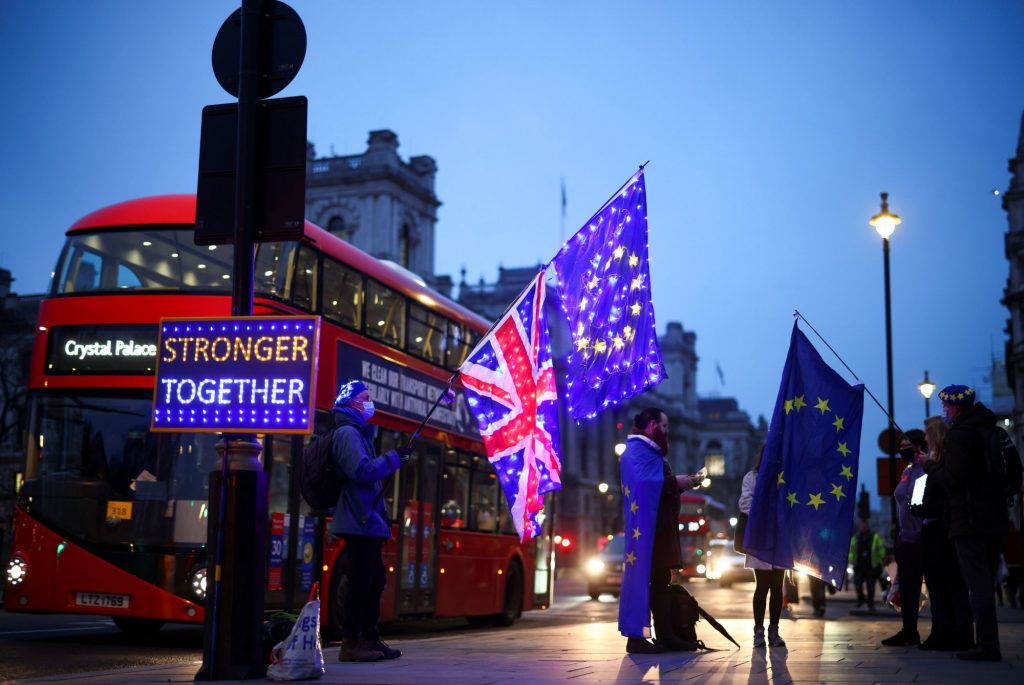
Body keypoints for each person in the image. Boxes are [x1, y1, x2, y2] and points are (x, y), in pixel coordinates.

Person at [330, 380, 411, 663]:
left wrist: (394, 459)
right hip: (358, 519)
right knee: (360, 582)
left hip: (366, 519)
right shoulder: (348, 433)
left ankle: (369, 637)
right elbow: (361, 471)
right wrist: (393, 458)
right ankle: (351, 643)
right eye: (365, 397)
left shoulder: (359, 433)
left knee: (374, 580)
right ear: (353, 402)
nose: (369, 402)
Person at [922, 384, 1005, 661]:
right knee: (986, 583)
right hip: (993, 518)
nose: (944, 410)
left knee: (977, 585)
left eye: (946, 406)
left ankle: (987, 644)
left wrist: (929, 466)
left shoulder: (959, 435)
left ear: (956, 408)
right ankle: (987, 640)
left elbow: (952, 478)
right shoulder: (990, 430)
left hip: (968, 519)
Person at [617, 407, 704, 654]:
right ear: (653, 426)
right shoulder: (637, 451)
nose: (667, 432)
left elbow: (656, 486)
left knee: (661, 581)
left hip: (659, 527)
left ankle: (666, 635)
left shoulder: (649, 452)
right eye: (664, 427)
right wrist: (675, 481)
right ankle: (639, 638)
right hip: (649, 531)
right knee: (650, 581)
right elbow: (644, 484)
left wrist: (681, 483)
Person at [914, 415, 974, 651]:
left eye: (927, 433)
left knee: (947, 583)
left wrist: (922, 507)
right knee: (939, 583)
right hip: (934, 529)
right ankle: (943, 629)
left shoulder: (942, 461)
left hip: (941, 530)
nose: (924, 437)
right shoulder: (934, 460)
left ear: (934, 435)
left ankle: (952, 631)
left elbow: (941, 494)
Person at [881, 429, 929, 646]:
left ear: (919, 446)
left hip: (922, 537)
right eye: (900, 446)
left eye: (907, 446)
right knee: (907, 587)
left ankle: (942, 629)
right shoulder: (907, 471)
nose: (902, 450)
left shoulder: (925, 469)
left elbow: (920, 503)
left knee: (929, 586)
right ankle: (909, 630)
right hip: (905, 538)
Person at [739, 448, 787, 647]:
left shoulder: (786, 477)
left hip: (780, 539)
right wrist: (766, 515)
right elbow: (744, 503)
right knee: (762, 586)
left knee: (777, 587)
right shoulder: (751, 477)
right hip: (760, 538)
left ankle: (774, 631)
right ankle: (758, 631)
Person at [848, 520, 884, 611]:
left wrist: (882, 561)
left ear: (867, 526)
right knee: (857, 584)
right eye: (862, 526)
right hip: (859, 566)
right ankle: (861, 599)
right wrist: (852, 560)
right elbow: (851, 550)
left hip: (871, 566)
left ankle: (870, 604)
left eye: (864, 526)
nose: (863, 528)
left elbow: (881, 550)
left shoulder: (875, 537)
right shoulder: (856, 538)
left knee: (870, 587)